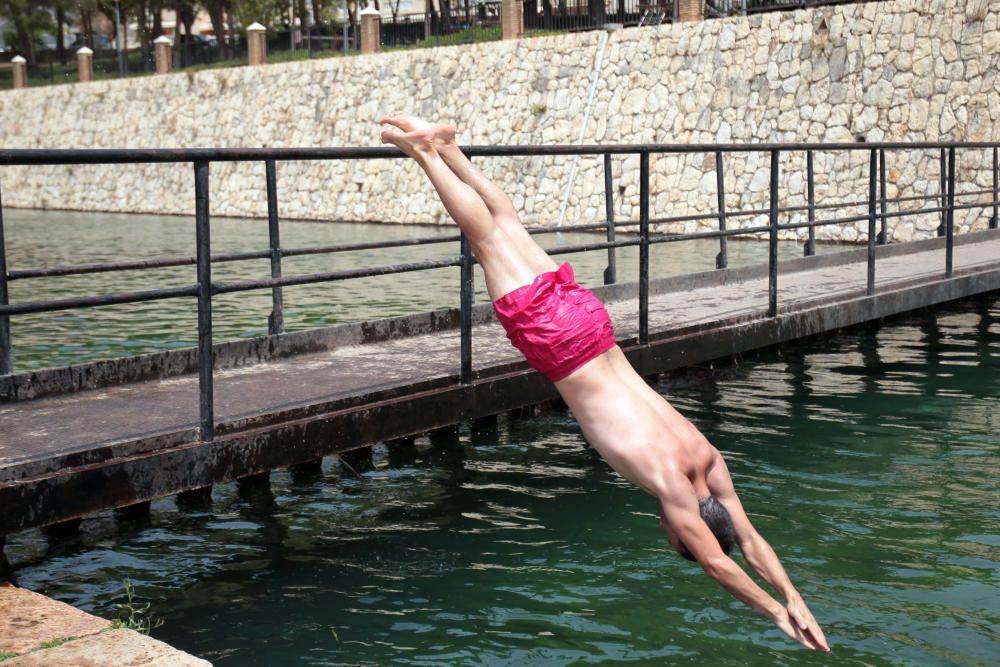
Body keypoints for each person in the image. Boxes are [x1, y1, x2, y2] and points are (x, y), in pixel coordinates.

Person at [379, 113, 831, 652]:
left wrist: (795, 596)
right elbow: (718, 560)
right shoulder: (669, 486)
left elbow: (749, 540)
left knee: (510, 229)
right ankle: (427, 154)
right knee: (487, 241)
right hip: (563, 345)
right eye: (676, 538)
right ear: (682, 531)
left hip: (593, 327)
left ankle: (450, 148)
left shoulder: (708, 460)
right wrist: (775, 613)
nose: (670, 534)